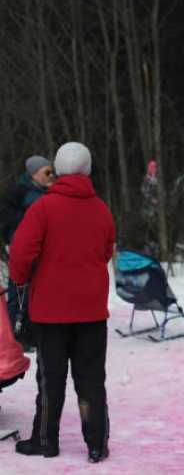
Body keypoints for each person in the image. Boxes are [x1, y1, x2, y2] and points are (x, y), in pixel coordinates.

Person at [8, 141, 116, 463]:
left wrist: (23, 280)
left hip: (51, 313)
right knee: (91, 380)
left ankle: (45, 441)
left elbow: (21, 254)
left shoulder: (42, 208)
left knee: (51, 380)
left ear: (58, 168)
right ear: (87, 169)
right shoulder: (101, 209)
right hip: (91, 312)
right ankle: (96, 444)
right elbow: (106, 250)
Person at [0, 154, 56, 350]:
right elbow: (3, 211)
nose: (51, 175)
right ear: (33, 174)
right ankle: (17, 337)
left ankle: (33, 334)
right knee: (18, 294)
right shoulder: (18, 190)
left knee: (38, 295)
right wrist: (28, 220)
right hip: (21, 250)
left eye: (52, 171)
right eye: (46, 172)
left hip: (44, 253)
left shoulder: (51, 193)